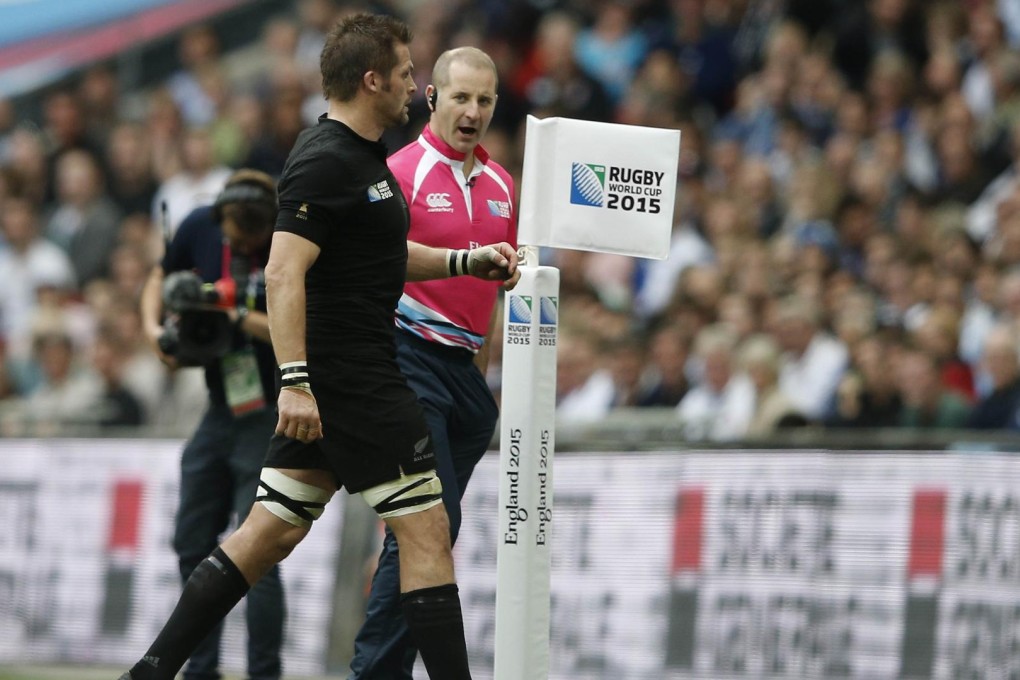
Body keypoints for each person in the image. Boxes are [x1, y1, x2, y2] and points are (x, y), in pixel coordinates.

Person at [119, 13, 519, 680]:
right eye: (404, 74)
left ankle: (151, 670)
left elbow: (384, 255)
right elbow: (281, 271)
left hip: (340, 386)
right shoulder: (325, 158)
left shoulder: (360, 159)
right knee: (427, 534)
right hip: (358, 384)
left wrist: (463, 263)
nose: (411, 86)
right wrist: (298, 381)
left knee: (267, 533)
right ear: (372, 81)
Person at [349, 46, 517, 679]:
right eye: (461, 98)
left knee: (425, 534)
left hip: (465, 377)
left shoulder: (503, 184)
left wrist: (482, 367)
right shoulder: (400, 172)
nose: (472, 111)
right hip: (408, 358)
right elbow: (369, 273)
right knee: (431, 525)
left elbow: (497, 291)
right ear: (433, 98)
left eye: (485, 100)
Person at [138, 167, 286, 680]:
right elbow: (161, 276)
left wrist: (233, 314)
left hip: (273, 411)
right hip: (222, 406)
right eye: (232, 232)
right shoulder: (202, 224)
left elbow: (303, 332)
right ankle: (202, 671)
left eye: (247, 236)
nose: (236, 241)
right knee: (192, 540)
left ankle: (264, 673)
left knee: (258, 554)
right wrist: (156, 330)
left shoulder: (292, 244)